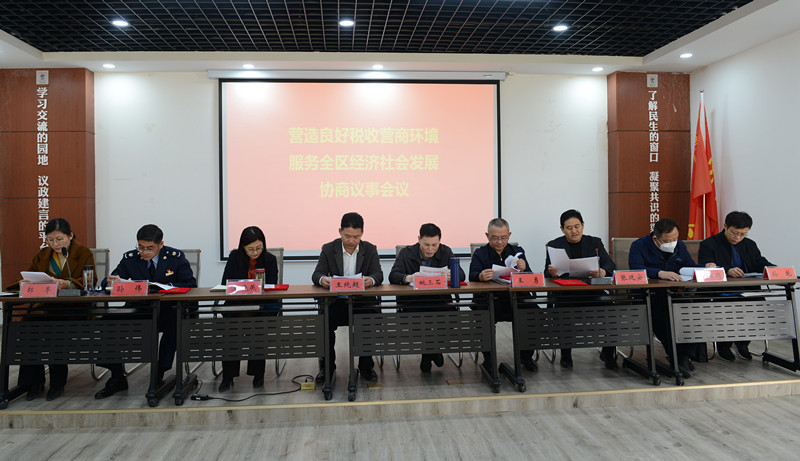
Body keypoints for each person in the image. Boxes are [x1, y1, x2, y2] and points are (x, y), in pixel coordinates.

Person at [95, 224, 197, 399]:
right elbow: (110, 281)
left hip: (168, 309)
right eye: (141, 247)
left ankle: (159, 371)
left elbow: (190, 284)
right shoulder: (130, 258)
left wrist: (166, 286)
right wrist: (110, 281)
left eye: (150, 248)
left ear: (160, 244)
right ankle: (116, 375)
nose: (144, 252)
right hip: (140, 308)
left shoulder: (175, 258)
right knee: (108, 322)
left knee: (175, 323)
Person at [5, 218, 96, 401]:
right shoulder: (43, 254)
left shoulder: (83, 252)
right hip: (46, 307)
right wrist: (24, 283)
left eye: (59, 239)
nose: (55, 244)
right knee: (26, 328)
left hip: (74, 309)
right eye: (51, 240)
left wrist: (67, 283)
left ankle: (57, 383)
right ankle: (33, 382)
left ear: (70, 236)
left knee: (55, 331)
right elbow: (33, 275)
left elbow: (90, 281)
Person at [312, 212, 383, 383]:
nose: (351, 241)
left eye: (356, 237)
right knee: (324, 322)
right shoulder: (329, 249)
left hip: (361, 302)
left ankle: (366, 366)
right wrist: (323, 280)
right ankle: (327, 368)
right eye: (347, 236)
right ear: (340, 231)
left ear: (362, 233)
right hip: (336, 302)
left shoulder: (370, 249)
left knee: (369, 321)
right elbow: (317, 274)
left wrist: (371, 280)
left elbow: (378, 274)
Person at [544, 209, 617, 370]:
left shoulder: (594, 242)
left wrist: (603, 271)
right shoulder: (555, 245)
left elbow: (610, 264)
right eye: (569, 228)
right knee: (563, 313)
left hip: (591, 292)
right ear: (562, 229)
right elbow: (546, 274)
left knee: (611, 310)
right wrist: (552, 273)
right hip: (566, 294)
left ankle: (608, 353)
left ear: (583, 225)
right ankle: (566, 354)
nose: (574, 231)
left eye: (577, 226)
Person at [389, 223, 466, 373]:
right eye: (426, 244)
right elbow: (393, 276)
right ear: (419, 239)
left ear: (440, 242)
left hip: (440, 301)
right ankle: (434, 351)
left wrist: (453, 275)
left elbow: (461, 274)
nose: (430, 249)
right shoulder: (406, 253)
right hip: (413, 302)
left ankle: (428, 353)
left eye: (434, 245)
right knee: (418, 320)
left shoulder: (445, 251)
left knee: (449, 318)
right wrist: (409, 277)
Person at [629, 218, 701, 377]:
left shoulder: (679, 246)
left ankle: (683, 356)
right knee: (662, 316)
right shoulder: (639, 245)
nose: (672, 243)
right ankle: (679, 357)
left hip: (675, 293)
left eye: (675, 239)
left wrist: (706, 268)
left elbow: (689, 266)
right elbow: (635, 269)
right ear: (656, 238)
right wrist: (659, 273)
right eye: (667, 241)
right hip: (649, 295)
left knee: (694, 312)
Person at [698, 211, 774, 361]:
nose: (737, 237)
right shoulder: (709, 244)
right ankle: (724, 345)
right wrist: (727, 270)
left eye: (742, 234)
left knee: (758, 305)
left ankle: (743, 343)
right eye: (734, 233)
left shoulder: (750, 244)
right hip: (721, 291)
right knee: (729, 307)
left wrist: (773, 269)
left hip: (748, 290)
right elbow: (705, 266)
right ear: (725, 226)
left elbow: (759, 262)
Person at [468, 218, 536, 371]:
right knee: (483, 317)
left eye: (503, 238)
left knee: (532, 312)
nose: (499, 242)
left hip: (515, 299)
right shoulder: (480, 253)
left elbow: (530, 277)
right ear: (487, 236)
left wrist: (524, 268)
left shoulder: (517, 252)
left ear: (509, 235)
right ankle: (489, 359)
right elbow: (472, 275)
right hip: (490, 300)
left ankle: (526, 356)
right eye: (495, 238)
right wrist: (480, 276)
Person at [217, 226, 279, 392]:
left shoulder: (270, 259)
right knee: (231, 333)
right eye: (251, 249)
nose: (255, 252)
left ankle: (258, 375)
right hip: (237, 306)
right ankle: (228, 377)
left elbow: (272, 286)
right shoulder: (234, 257)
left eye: (259, 248)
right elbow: (225, 283)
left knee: (258, 330)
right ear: (242, 247)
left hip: (261, 307)